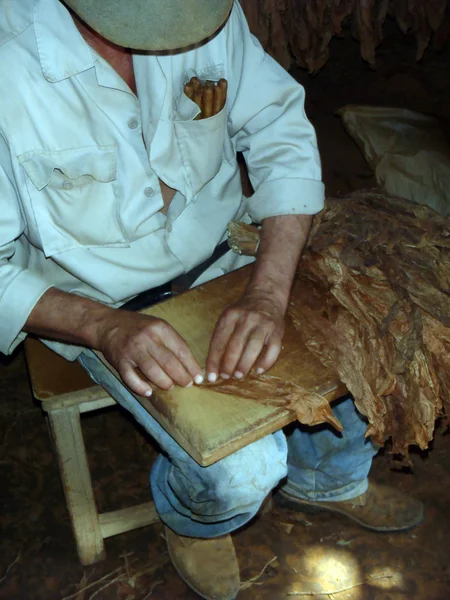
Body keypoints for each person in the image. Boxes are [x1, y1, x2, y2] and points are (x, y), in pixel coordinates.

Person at [0, 1, 424, 598]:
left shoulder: (202, 9)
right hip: (98, 301)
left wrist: (269, 292)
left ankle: (328, 480)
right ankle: (197, 520)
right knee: (239, 472)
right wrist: (105, 329)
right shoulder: (8, 64)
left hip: (230, 254)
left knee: (367, 340)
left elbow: (279, 129)